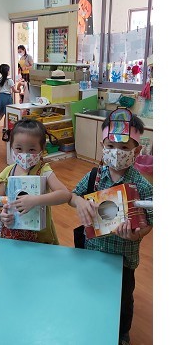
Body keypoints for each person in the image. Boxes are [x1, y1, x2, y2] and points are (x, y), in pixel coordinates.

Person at [69, 108, 153, 345]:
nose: (117, 152)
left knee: (123, 299)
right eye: (111, 146)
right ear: (102, 145)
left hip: (123, 257)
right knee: (93, 291)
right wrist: (79, 203)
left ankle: (121, 333)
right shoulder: (94, 176)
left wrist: (137, 235)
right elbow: (73, 196)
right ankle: (93, 323)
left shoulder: (142, 186)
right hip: (93, 250)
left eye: (124, 147)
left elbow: (150, 221)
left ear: (136, 151)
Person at [0, 119, 71, 244]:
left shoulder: (44, 171)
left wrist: (35, 200)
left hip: (41, 238)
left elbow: (65, 194)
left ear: (42, 148)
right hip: (13, 236)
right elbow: (0, 201)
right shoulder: (7, 173)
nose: (25, 154)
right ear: (11, 147)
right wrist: (3, 214)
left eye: (31, 150)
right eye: (19, 148)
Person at [0, 64, 20, 135]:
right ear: (7, 71)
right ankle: (5, 129)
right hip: (7, 98)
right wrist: (19, 91)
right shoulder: (10, 80)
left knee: (1, 113)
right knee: (7, 114)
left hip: (0, 97)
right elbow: (14, 91)